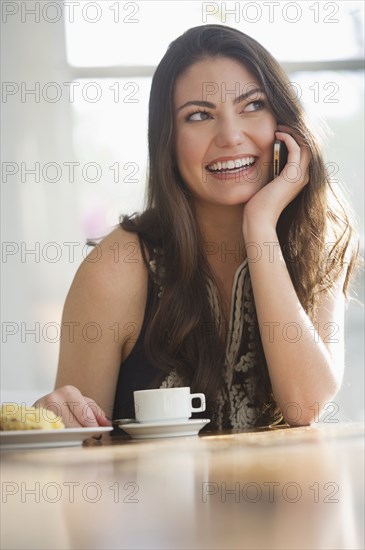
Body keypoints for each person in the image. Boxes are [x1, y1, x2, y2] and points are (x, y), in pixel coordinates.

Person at [34, 24, 360, 430]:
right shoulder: (115, 269)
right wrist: (54, 416)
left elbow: (304, 404)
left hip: (288, 493)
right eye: (199, 116)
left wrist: (259, 226)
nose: (230, 136)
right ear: (168, 140)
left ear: (283, 122)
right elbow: (77, 450)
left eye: (252, 105)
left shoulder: (316, 237)